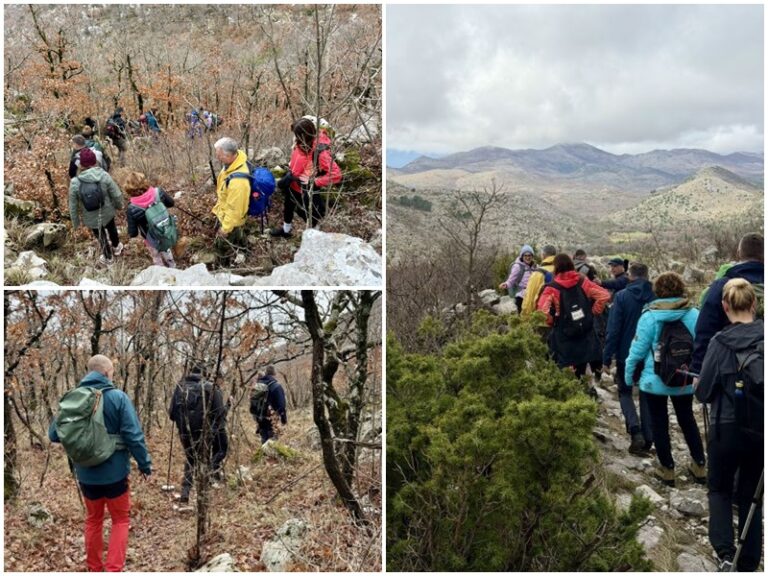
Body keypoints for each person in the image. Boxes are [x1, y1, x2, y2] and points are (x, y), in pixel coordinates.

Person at [48, 355, 152, 572]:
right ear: (106, 372)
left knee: (93, 519)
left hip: (86, 474)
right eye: (112, 371)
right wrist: (144, 464)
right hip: (115, 474)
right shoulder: (118, 397)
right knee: (120, 520)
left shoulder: (73, 398)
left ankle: (95, 569)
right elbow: (133, 435)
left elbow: (54, 435)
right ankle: (113, 569)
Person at [695, 278, 763, 572]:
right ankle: (749, 562)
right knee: (751, 495)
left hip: (725, 427)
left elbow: (703, 391)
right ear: (754, 304)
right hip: (761, 430)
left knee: (719, 489)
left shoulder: (719, 342)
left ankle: (725, 554)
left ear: (724, 307)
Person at [624, 272, 705, 487]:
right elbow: (702, 346)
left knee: (659, 422)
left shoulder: (649, 316)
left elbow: (637, 350)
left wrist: (627, 374)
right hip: (684, 378)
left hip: (655, 380)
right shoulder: (694, 314)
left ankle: (667, 470)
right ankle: (699, 464)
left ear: (657, 290)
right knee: (687, 419)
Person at [693, 233, 764, 376]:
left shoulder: (722, 286)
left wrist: (698, 369)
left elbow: (705, 329)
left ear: (739, 253)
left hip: (728, 370)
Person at [603, 262, 655, 455]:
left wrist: (607, 357)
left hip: (627, 353)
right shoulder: (655, 297)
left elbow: (613, 330)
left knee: (625, 392)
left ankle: (635, 432)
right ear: (647, 276)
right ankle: (649, 437)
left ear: (630, 276)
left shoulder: (622, 297)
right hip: (649, 355)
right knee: (646, 393)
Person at [537, 253, 610, 379]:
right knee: (584, 369)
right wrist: (594, 312)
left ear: (556, 268)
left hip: (564, 336)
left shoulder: (551, 288)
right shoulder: (582, 281)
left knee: (567, 372)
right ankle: (589, 389)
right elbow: (604, 295)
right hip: (585, 333)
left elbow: (542, 311)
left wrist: (551, 321)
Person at [270, 117, 342, 238]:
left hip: (307, 189)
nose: (294, 138)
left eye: (296, 135)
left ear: (304, 136)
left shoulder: (320, 152)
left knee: (311, 214)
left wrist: (315, 182)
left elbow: (336, 174)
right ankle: (286, 231)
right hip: (292, 183)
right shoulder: (300, 144)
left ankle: (313, 236)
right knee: (288, 207)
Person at [168, 362, 228, 503]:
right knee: (206, 459)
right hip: (204, 433)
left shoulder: (180, 387)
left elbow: (171, 414)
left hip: (184, 432)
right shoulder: (209, 388)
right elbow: (219, 413)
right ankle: (205, 490)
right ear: (204, 374)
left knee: (190, 460)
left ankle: (185, 492)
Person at [68, 148, 125, 266]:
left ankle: (108, 258)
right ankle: (116, 247)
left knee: (100, 236)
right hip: (108, 211)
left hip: (90, 217)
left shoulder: (75, 182)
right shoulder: (104, 175)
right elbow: (116, 193)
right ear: (95, 162)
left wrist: (76, 223)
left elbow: (73, 205)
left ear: (81, 165)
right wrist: (120, 205)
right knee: (112, 228)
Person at [124, 172, 177, 268]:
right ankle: (172, 266)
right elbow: (171, 203)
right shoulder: (158, 192)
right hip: (165, 231)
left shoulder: (132, 208)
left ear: (129, 189)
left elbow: (133, 233)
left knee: (156, 256)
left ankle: (161, 272)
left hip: (150, 238)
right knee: (166, 250)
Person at [212, 137, 250, 256]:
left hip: (231, 220)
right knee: (239, 235)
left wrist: (225, 228)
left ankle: (224, 265)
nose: (217, 158)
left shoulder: (238, 182)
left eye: (220, 156)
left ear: (229, 155)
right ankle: (244, 249)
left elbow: (235, 210)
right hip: (225, 212)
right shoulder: (232, 163)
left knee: (221, 245)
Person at [251, 366, 288, 444]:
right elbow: (281, 405)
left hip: (260, 418)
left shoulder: (259, 384)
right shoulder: (276, 386)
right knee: (273, 442)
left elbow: (253, 401)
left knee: (264, 439)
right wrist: (283, 419)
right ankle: (269, 455)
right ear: (274, 373)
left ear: (266, 373)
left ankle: (263, 454)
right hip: (272, 418)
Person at [521, 244, 557, 315]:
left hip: (543, 317)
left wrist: (525, 318)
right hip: (562, 317)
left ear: (543, 255)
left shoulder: (538, 274)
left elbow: (529, 299)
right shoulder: (563, 270)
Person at [499, 244, 536, 312]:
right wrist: (506, 284)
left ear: (532, 256)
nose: (528, 257)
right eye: (525, 255)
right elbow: (511, 279)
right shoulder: (517, 266)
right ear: (522, 256)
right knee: (521, 317)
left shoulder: (535, 267)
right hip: (521, 296)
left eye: (529, 255)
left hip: (532, 295)